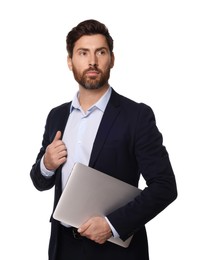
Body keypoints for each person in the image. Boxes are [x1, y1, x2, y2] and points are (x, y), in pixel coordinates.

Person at [30, 19, 177, 260]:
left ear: (112, 59)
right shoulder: (57, 116)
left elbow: (165, 186)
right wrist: (46, 165)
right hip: (63, 248)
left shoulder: (137, 116)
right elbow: (39, 181)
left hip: (114, 251)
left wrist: (113, 225)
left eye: (101, 52)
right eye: (83, 53)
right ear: (70, 61)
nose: (92, 61)